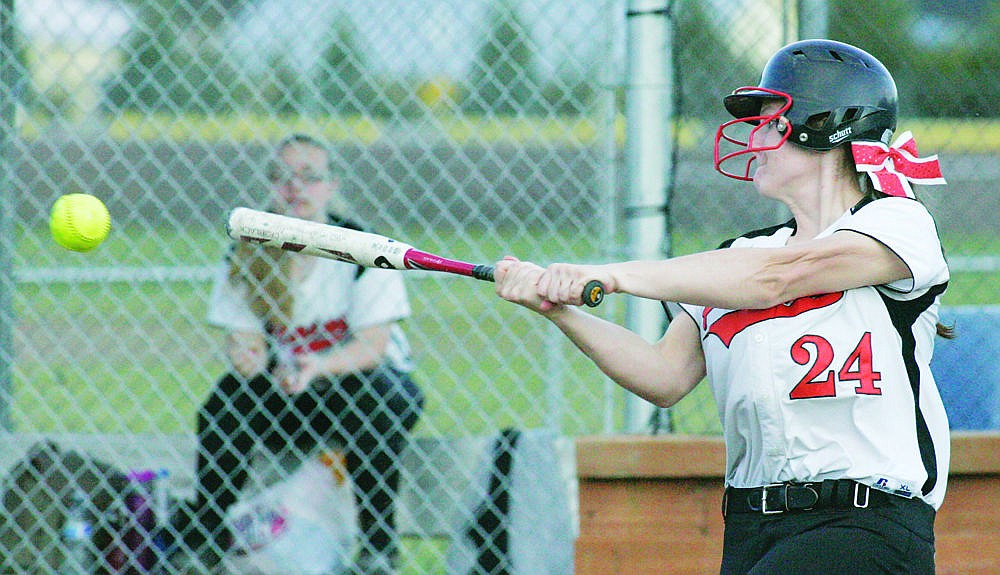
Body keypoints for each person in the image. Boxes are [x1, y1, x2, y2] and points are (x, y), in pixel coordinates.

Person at [494, 39, 951, 575]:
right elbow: (663, 376)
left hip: (864, 523)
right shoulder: (738, 257)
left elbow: (778, 278)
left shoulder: (897, 223)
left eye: (772, 122)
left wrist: (613, 276)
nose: (755, 140)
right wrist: (558, 309)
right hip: (752, 528)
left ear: (826, 126)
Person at [175, 133, 424, 575]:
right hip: (289, 388)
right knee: (223, 406)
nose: (296, 189)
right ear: (270, 186)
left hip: (359, 385)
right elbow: (243, 340)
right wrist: (246, 356)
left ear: (331, 186)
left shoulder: (364, 249)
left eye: (311, 178)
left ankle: (377, 548)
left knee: (379, 400)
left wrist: (319, 366)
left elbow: (372, 348)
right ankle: (205, 539)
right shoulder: (250, 249)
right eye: (284, 178)